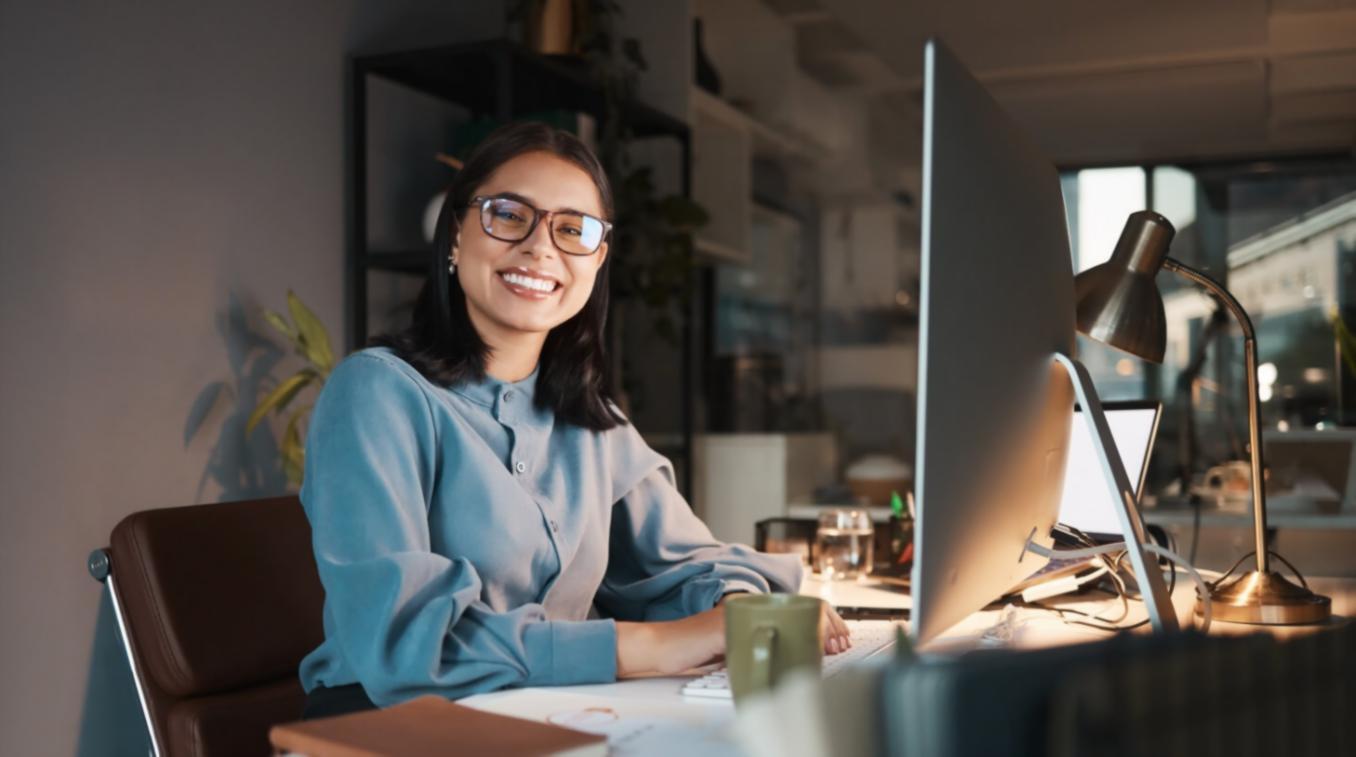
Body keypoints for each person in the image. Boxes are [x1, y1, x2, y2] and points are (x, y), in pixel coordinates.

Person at [298, 122, 850, 717]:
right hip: (390, 727)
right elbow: (403, 646)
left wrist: (742, 609)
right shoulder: (378, 392)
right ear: (455, 234)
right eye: (509, 215)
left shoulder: (592, 419)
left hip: (546, 711)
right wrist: (653, 644)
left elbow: (685, 562)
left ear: (596, 262)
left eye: (572, 230)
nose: (541, 248)